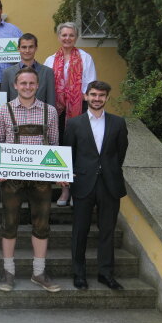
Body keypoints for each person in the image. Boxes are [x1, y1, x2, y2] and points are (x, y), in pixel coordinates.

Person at [0, 67, 61, 293]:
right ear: (15, 85)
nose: (27, 87)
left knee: (41, 224)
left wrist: (60, 173)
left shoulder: (49, 112)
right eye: (23, 83)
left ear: (38, 85)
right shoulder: (4, 111)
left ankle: (38, 272)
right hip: (12, 178)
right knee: (9, 224)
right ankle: (8, 271)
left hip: (41, 178)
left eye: (31, 84)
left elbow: (54, 146)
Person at [64, 80, 128, 291]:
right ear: (86, 96)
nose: (97, 99)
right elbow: (69, 154)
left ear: (107, 98)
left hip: (110, 184)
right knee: (80, 230)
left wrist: (109, 170)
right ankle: (79, 274)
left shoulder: (118, 123)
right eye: (93, 95)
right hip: (83, 183)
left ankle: (105, 274)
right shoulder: (74, 123)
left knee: (107, 231)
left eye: (101, 95)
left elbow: (120, 153)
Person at [44, 22, 97, 206]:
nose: (67, 38)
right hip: (57, 110)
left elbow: (90, 86)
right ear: (59, 37)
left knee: (79, 149)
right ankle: (64, 190)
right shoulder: (51, 60)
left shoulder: (85, 58)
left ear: (76, 37)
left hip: (78, 109)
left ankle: (77, 190)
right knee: (61, 149)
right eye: (64, 35)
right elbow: (47, 85)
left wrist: (74, 99)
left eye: (71, 35)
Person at [1, 33, 55, 106]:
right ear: (18, 48)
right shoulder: (7, 73)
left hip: (40, 116)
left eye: (31, 47)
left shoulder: (48, 72)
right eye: (24, 47)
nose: (27, 50)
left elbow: (51, 102)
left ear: (36, 48)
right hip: (14, 116)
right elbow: (4, 103)